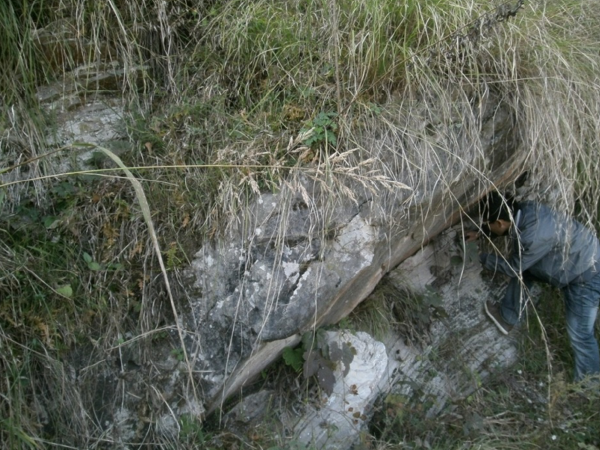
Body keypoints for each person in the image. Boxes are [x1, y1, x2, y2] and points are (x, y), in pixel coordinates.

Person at [467, 191, 600, 382]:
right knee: (527, 269)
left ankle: (589, 385)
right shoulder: (526, 210)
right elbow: (507, 232)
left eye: (489, 223)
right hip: (580, 257)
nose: (489, 226)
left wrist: (480, 258)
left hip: (586, 276)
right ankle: (507, 316)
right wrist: (481, 233)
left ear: (500, 223)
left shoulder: (532, 237)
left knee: (581, 335)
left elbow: (512, 268)